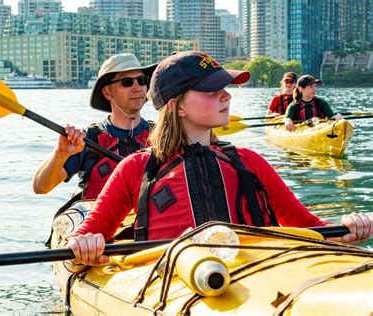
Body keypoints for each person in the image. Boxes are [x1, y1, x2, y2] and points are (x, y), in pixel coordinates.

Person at [63, 51, 372, 270]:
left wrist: (349, 228)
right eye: (211, 89)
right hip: (172, 287)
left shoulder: (249, 162)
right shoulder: (135, 169)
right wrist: (83, 249)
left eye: (225, 87)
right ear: (177, 106)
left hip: (260, 277)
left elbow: (312, 228)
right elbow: (80, 242)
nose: (227, 96)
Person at [33, 53, 157, 201]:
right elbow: (40, 187)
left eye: (142, 81)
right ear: (107, 92)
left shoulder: (161, 134)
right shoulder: (87, 139)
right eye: (127, 82)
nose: (138, 88)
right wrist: (60, 154)